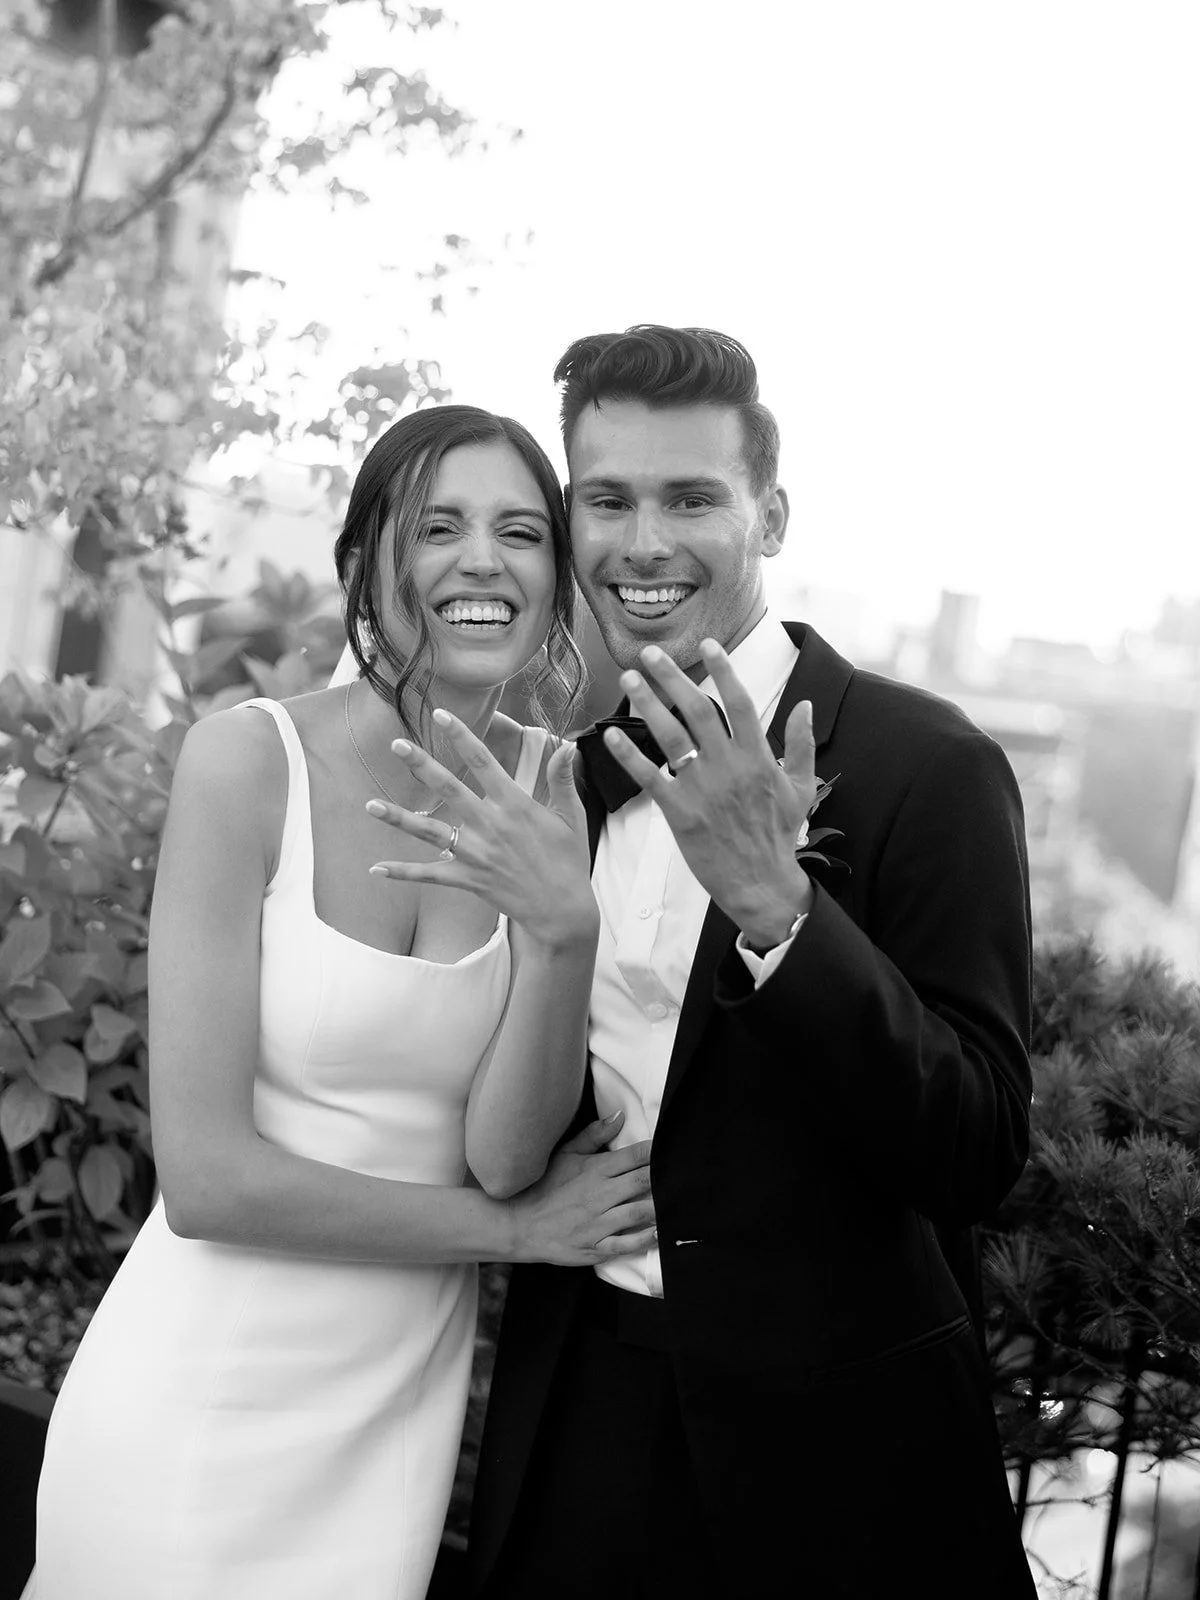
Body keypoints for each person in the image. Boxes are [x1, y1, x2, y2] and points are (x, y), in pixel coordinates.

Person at [382, 328, 1036, 1598]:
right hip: (577, 1415)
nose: (644, 543)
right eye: (608, 499)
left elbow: (979, 1146)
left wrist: (777, 907)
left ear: (770, 514)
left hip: (832, 1465)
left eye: (691, 498)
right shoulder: (563, 773)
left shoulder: (930, 767)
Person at [33, 405, 656, 1600]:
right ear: (367, 560)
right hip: (195, 1404)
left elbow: (503, 1150)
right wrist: (513, 1237)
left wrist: (565, 929)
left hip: (387, 1428)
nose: (485, 558)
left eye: (522, 530)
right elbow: (207, 1182)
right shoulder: (248, 761)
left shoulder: (551, 796)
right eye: (441, 525)